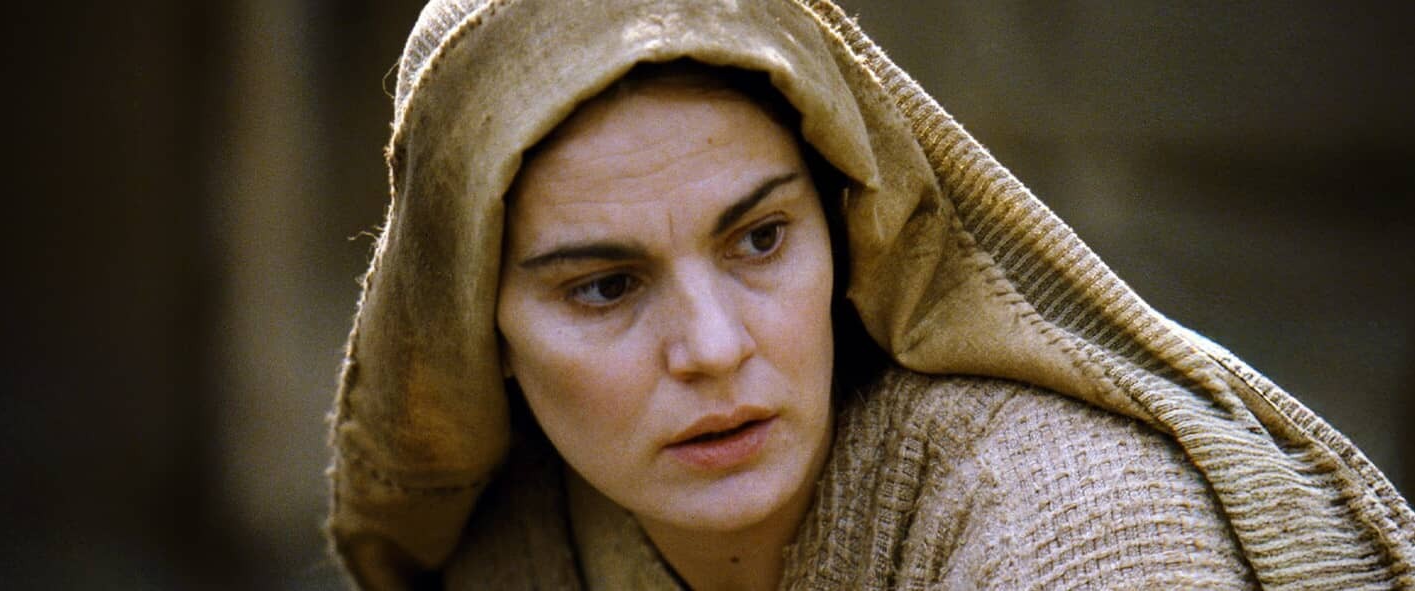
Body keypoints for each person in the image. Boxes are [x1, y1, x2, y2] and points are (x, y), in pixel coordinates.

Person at [326, 1, 1414, 589]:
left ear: (847, 231)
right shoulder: (517, 556)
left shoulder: (1080, 534)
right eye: (606, 286)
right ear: (482, 332)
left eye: (760, 239)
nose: (712, 345)